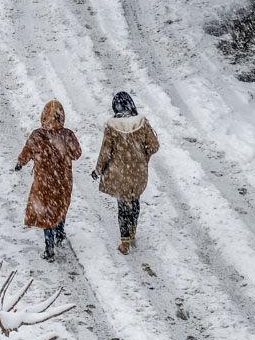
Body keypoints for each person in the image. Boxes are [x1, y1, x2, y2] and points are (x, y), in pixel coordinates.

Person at [91, 91, 160, 254]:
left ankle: (125, 242)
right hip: (138, 172)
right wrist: (144, 155)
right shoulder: (142, 123)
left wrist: (98, 169)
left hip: (119, 174)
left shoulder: (112, 126)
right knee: (135, 200)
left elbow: (105, 152)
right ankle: (133, 229)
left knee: (123, 206)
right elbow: (154, 145)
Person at [15, 99, 82, 261]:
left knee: (46, 212)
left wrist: (20, 162)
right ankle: (60, 233)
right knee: (61, 205)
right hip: (63, 180)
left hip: (43, 182)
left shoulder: (37, 135)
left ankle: (49, 247)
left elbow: (27, 151)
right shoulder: (67, 135)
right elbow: (77, 154)